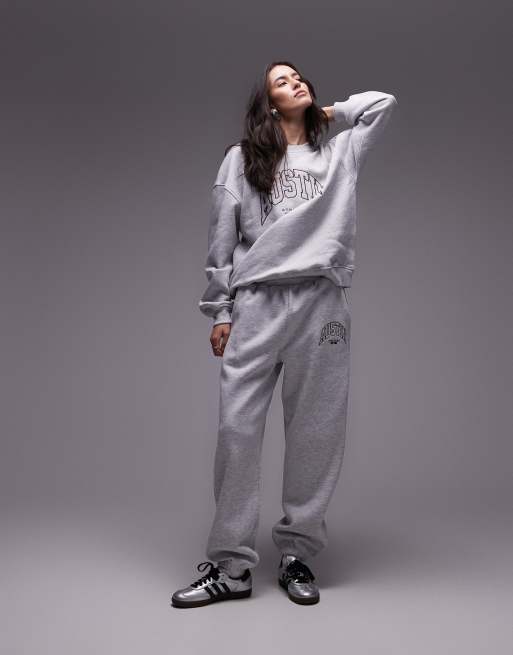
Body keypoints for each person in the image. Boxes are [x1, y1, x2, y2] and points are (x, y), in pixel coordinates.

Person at [171, 60, 397, 608]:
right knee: (237, 432)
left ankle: (297, 555)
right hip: (257, 303)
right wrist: (220, 311)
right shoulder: (242, 158)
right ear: (268, 104)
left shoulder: (339, 153)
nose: (295, 83)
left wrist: (328, 113)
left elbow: (381, 104)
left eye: (299, 78)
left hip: (321, 302)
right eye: (281, 81)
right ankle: (232, 567)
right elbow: (221, 238)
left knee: (317, 434)